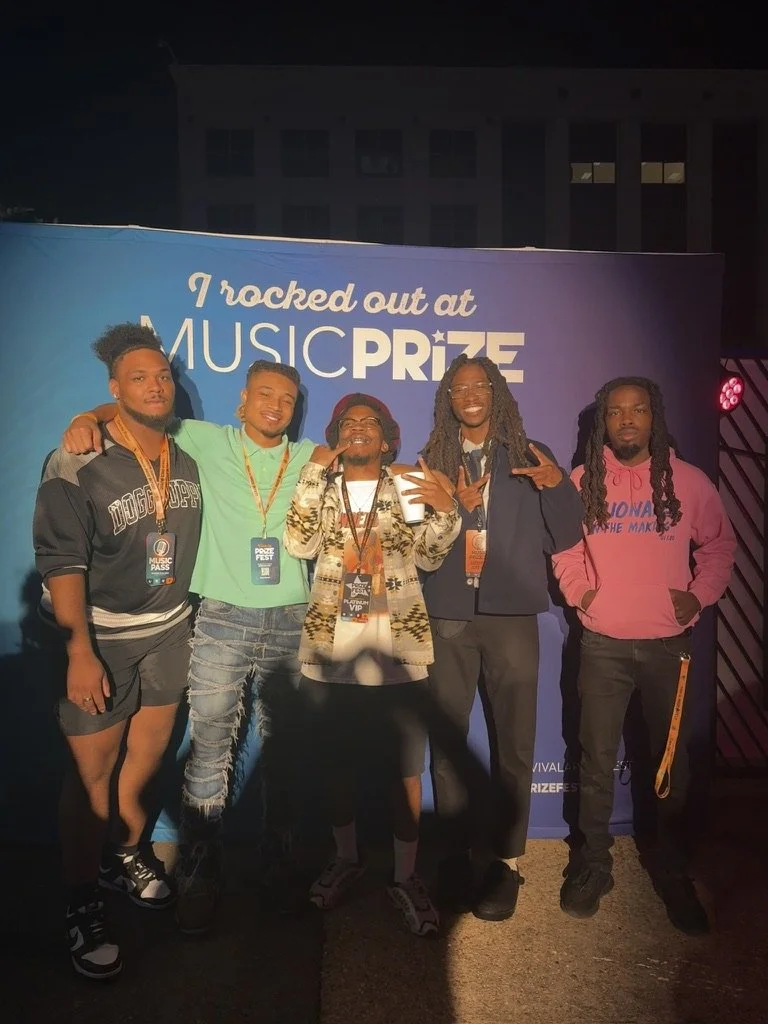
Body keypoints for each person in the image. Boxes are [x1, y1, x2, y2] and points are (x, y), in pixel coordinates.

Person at [62, 358, 315, 935]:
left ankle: (279, 865)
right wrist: (86, 416)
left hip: (291, 620)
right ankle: (202, 868)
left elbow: (362, 464)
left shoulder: (305, 457)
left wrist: (432, 482)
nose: (276, 405)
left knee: (288, 751)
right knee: (209, 747)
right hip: (221, 616)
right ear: (243, 401)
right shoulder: (205, 437)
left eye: (288, 399)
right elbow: (129, 412)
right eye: (265, 394)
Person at [34, 323, 202, 979]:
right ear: (113, 390)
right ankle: (81, 903)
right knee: (90, 778)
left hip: (169, 629)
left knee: (151, 751)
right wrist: (80, 650)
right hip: (100, 637)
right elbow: (61, 562)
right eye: (139, 377)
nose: (156, 385)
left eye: (163, 375)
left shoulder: (188, 453)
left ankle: (122, 853)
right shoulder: (77, 459)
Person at [552, 376, 735, 935]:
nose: (626, 419)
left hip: (667, 645)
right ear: (603, 423)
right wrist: (585, 596)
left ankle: (674, 871)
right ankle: (593, 864)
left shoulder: (690, 482)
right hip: (602, 644)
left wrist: (699, 595)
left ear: (654, 418)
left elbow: (720, 546)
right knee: (595, 758)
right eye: (615, 412)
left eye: (637, 410)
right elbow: (565, 549)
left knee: (668, 765)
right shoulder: (583, 481)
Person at [284, 393, 461, 936]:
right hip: (332, 654)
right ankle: (346, 858)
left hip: (398, 653)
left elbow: (430, 555)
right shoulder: (323, 486)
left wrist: (447, 509)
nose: (359, 428)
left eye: (371, 423)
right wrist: (316, 469)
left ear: (387, 440)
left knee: (404, 771)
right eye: (348, 423)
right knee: (338, 767)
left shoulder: (407, 486)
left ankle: (406, 876)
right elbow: (297, 540)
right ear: (338, 438)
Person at [419, 354, 585, 921]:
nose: (470, 393)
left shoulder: (529, 454)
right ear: (447, 398)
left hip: (511, 616)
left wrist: (558, 485)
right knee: (448, 742)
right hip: (448, 614)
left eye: (480, 385)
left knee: (514, 743)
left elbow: (565, 532)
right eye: (459, 386)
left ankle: (508, 862)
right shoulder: (431, 459)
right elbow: (418, 544)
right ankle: (454, 855)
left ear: (497, 394)